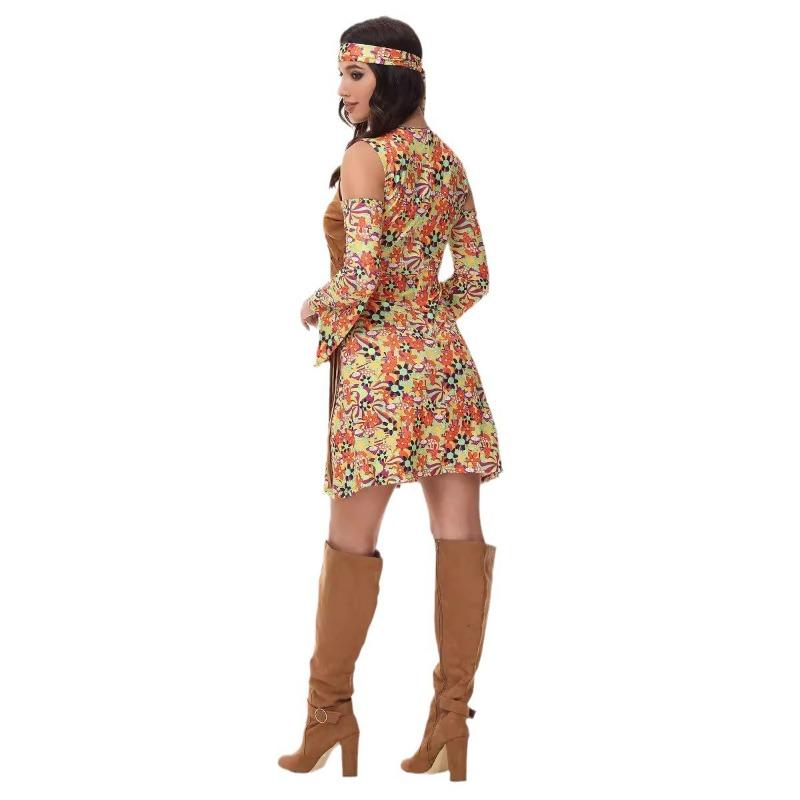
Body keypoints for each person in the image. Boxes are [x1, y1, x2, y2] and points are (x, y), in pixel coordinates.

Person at [277, 16, 502, 782]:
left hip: (378, 378)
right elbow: (475, 277)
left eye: (355, 75)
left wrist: (316, 306)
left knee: (350, 544)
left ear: (392, 77)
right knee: (459, 537)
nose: (342, 90)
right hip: (444, 369)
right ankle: (450, 724)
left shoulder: (365, 158)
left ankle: (329, 717)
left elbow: (362, 274)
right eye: (341, 74)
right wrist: (425, 318)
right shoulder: (447, 161)